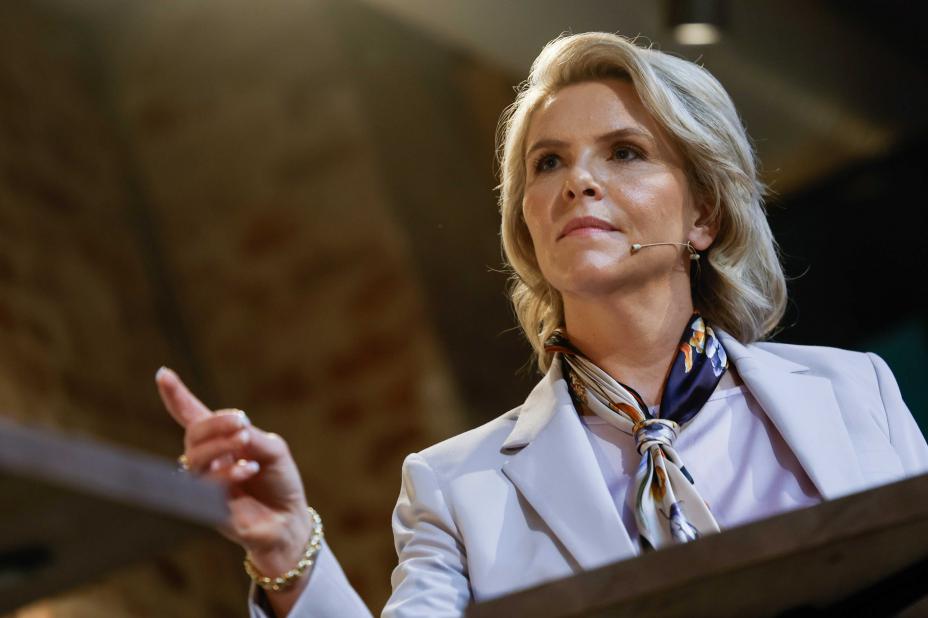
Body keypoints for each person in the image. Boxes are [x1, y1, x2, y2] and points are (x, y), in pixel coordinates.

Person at [155, 32, 928, 617]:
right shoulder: (454, 487)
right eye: (548, 162)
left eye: (624, 152)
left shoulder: (854, 392)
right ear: (526, 225)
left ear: (704, 214)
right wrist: (289, 546)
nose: (578, 180)